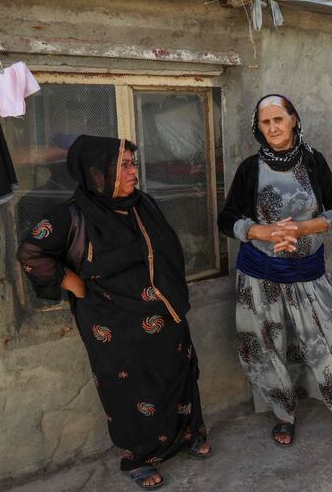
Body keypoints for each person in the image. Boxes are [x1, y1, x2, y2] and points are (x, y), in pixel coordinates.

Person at [17, 135, 210, 490]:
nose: (134, 171)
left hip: (163, 312)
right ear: (97, 172)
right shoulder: (71, 216)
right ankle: (139, 456)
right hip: (113, 321)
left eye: (133, 163)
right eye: (124, 165)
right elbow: (31, 252)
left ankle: (187, 435)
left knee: (177, 372)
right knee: (129, 389)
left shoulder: (143, 203)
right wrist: (70, 282)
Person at [218, 94, 332, 446]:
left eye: (279, 119)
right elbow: (227, 217)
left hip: (308, 272)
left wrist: (302, 229)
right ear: (258, 128)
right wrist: (261, 231)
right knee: (269, 346)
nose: (273, 127)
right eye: (265, 122)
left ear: (293, 120)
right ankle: (283, 415)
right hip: (260, 274)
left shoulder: (313, 162)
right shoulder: (250, 168)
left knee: (330, 342)